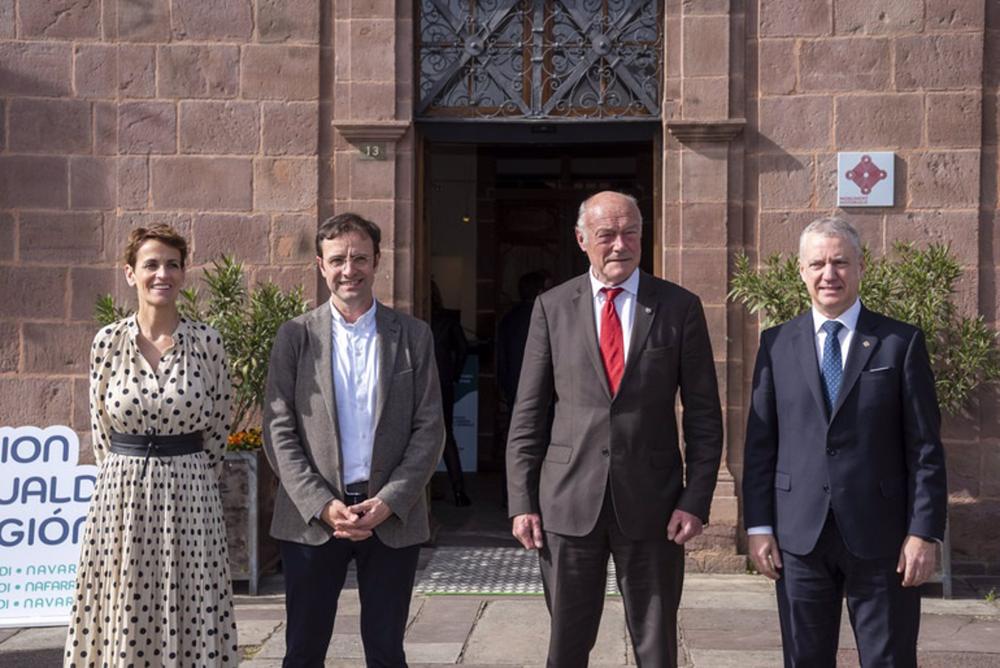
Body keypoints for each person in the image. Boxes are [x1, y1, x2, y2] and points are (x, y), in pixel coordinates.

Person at [506, 191, 724, 667]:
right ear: (582, 240)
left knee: (656, 644)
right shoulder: (552, 307)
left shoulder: (678, 307)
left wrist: (695, 499)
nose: (619, 245)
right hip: (567, 503)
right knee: (566, 644)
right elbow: (527, 414)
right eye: (606, 235)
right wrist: (521, 502)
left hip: (654, 504)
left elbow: (705, 416)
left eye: (630, 233)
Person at [742, 217, 948, 667]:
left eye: (840, 262)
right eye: (817, 263)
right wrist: (759, 526)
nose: (828, 274)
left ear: (861, 267)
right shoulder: (775, 345)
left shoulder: (900, 343)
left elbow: (925, 448)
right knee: (805, 659)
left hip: (883, 538)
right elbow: (761, 444)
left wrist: (923, 533)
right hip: (799, 538)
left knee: (888, 659)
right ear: (801, 270)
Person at [263, 213, 445, 668]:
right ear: (321, 266)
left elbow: (429, 428)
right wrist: (322, 504)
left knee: (386, 651)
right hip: (313, 519)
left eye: (360, 258)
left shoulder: (413, 336)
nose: (350, 269)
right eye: (339, 259)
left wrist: (390, 500)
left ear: (377, 261)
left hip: (389, 516)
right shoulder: (295, 337)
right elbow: (279, 430)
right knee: (303, 651)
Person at [65, 224, 239, 666]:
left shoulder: (208, 342)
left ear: (184, 273)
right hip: (121, 498)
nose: (162, 274)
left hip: (190, 494)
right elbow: (100, 426)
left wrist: (190, 476)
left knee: (191, 606)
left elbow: (219, 425)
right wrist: (126, 477)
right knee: (126, 603)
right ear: (130, 273)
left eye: (172, 265)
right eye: (151, 264)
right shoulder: (107, 342)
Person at [430, 280, 471, 506]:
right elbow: (463, 349)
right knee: (447, 436)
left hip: (420, 383)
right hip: (443, 382)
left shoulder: (415, 320)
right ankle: (459, 491)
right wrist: (454, 374)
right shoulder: (447, 320)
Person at [496, 269, 552, 406]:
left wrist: (503, 383)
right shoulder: (547, 317)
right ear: (540, 292)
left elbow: (501, 355)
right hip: (542, 386)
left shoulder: (508, 318)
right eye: (548, 289)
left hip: (513, 383)